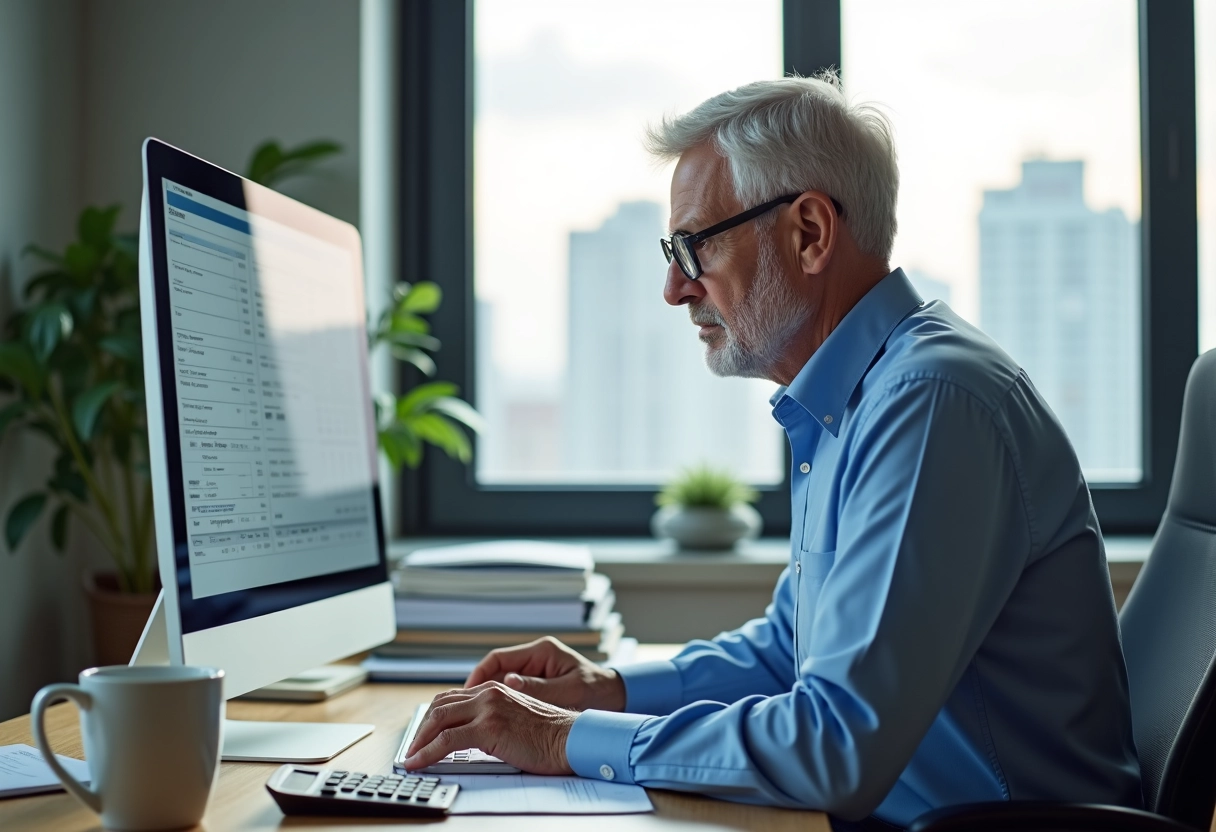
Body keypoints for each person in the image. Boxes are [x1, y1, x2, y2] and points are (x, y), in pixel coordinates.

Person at [403, 73, 1142, 830]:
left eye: (694, 246)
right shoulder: (859, 396)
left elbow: (834, 745)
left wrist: (565, 738)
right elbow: (789, 650)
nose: (674, 288)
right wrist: (607, 691)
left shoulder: (929, 404)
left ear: (810, 233)